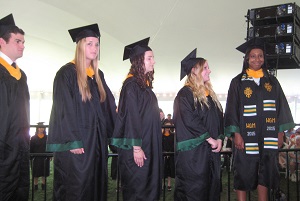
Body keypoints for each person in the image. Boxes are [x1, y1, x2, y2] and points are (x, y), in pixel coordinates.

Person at [46, 23, 116, 201]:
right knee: (77, 188)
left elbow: (109, 108)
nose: (94, 48)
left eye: (97, 44)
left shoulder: (98, 76)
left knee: (95, 186)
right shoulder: (66, 73)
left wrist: (117, 136)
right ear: (79, 46)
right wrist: (72, 141)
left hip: (97, 144)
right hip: (78, 145)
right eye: (89, 43)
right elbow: (63, 109)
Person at [224, 37, 295, 201]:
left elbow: (281, 107)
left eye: (260, 55)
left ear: (264, 58)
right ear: (247, 58)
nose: (257, 59)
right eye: (253, 56)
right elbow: (231, 109)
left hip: (268, 135)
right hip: (245, 136)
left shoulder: (272, 81)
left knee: (266, 170)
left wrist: (280, 132)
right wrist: (236, 134)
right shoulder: (237, 82)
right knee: (243, 170)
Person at [110, 37, 162, 201]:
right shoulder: (131, 85)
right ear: (139, 61)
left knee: (148, 189)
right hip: (138, 150)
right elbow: (131, 117)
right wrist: (136, 148)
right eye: (149, 58)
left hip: (148, 145)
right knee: (138, 191)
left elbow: (141, 112)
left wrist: (156, 114)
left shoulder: (142, 85)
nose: (153, 61)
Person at [173, 48, 224, 201]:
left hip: (210, 154)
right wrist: (210, 139)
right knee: (195, 192)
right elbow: (189, 120)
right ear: (195, 71)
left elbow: (219, 118)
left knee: (211, 191)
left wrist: (220, 138)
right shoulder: (185, 94)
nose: (210, 70)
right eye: (206, 68)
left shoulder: (210, 96)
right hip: (194, 156)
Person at [0, 13, 30, 201]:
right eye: (18, 41)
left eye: (23, 42)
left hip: (19, 150)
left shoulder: (21, 75)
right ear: (2, 42)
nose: (22, 45)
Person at [30, 122, 50, 190]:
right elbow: (31, 148)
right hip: (36, 158)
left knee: (44, 172)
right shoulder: (33, 138)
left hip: (45, 157)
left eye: (42, 127)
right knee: (35, 173)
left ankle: (43, 185)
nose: (41, 129)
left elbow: (49, 146)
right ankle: (35, 186)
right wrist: (31, 156)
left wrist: (50, 155)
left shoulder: (47, 137)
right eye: (40, 127)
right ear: (37, 128)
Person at [162, 120, 175, 191]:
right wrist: (164, 152)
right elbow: (160, 145)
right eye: (166, 126)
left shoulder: (173, 135)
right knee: (162, 169)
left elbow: (173, 145)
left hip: (170, 155)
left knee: (169, 170)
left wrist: (169, 153)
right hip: (163, 155)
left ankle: (169, 185)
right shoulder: (161, 135)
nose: (167, 127)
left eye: (169, 126)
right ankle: (162, 184)